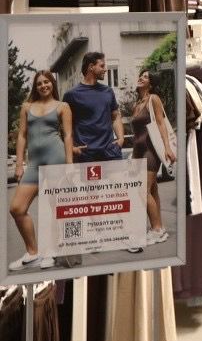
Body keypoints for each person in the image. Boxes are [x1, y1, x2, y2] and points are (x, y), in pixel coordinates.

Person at [8, 70, 72, 270]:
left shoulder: (63, 106)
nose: (43, 86)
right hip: (34, 163)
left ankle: (51, 251)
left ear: (53, 83)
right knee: (17, 208)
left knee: (54, 208)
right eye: (39, 83)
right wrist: (19, 164)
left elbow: (68, 136)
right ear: (35, 87)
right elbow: (22, 135)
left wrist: (70, 165)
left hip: (56, 158)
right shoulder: (27, 107)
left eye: (47, 82)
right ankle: (32, 253)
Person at [129, 70, 175, 246]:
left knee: (143, 190)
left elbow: (161, 123)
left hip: (151, 150)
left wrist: (167, 147)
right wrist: (133, 155)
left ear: (151, 83)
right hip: (138, 150)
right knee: (152, 190)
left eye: (146, 76)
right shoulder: (136, 104)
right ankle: (159, 227)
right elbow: (136, 133)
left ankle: (156, 229)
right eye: (141, 75)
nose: (141, 77)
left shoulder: (153, 99)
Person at [63, 51, 124, 162]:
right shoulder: (71, 95)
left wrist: (120, 139)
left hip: (110, 152)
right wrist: (72, 148)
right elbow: (64, 126)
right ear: (91, 67)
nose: (105, 69)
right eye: (102, 66)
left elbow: (115, 116)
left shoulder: (108, 91)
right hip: (86, 155)